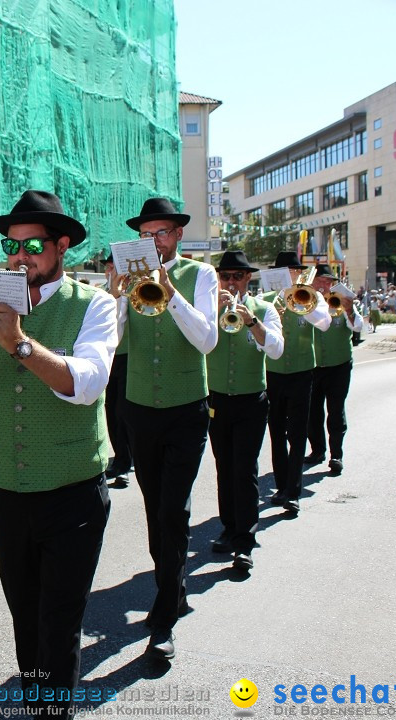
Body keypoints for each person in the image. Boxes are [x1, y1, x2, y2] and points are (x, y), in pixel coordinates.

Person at [0, 190, 116, 718]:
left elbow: (87, 382)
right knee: (24, 616)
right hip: (9, 491)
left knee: (58, 623)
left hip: (72, 490)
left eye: (33, 245)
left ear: (61, 246)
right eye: (11, 246)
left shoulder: (95, 305)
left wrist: (17, 342)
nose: (19, 257)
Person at [113, 197, 218, 661]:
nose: (153, 240)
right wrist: (117, 297)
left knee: (173, 510)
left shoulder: (202, 276)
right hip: (140, 408)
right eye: (146, 234)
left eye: (161, 232)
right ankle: (173, 589)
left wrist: (169, 293)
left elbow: (207, 340)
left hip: (185, 408)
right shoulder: (130, 279)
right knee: (156, 510)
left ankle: (163, 617)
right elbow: (113, 342)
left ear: (176, 235)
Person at [205, 251, 283, 573]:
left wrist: (250, 320)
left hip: (252, 400)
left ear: (248, 279)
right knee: (224, 467)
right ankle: (228, 527)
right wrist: (214, 311)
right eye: (226, 277)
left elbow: (277, 350)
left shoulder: (265, 309)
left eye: (238, 276)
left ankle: (244, 542)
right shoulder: (209, 309)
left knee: (245, 469)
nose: (232, 282)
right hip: (216, 401)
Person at [262, 251, 331, 513]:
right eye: (285, 271)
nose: (290, 275)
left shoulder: (313, 296)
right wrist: (279, 301)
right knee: (276, 430)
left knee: (298, 431)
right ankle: (281, 486)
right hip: (273, 373)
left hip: (302, 372)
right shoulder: (267, 299)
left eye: (293, 270)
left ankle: (294, 491)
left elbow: (324, 324)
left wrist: (301, 300)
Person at [305, 266, 363, 477]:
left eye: (328, 282)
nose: (324, 285)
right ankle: (318, 450)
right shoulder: (305, 300)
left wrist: (349, 310)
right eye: (320, 281)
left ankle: (336, 454)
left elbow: (358, 327)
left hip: (339, 365)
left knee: (336, 410)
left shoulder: (339, 300)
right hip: (312, 366)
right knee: (312, 411)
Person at [101, 250, 133, 489]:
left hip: (131, 357)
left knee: (125, 412)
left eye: (115, 267)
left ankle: (126, 464)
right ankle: (120, 457)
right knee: (111, 410)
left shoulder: (135, 290)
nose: (111, 271)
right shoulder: (100, 293)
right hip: (109, 359)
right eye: (109, 267)